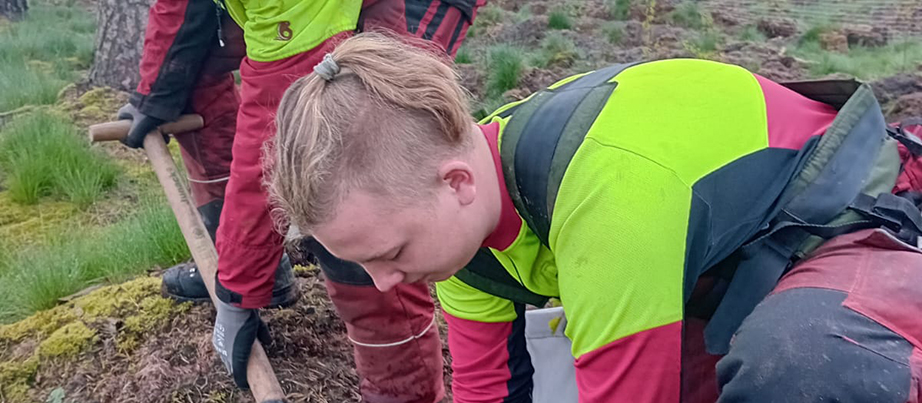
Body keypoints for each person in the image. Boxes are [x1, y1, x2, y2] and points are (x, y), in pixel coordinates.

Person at [267, 33, 922, 402]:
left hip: (861, 223)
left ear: (456, 182)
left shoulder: (602, 200)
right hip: (735, 268)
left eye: (391, 253)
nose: (385, 283)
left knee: (796, 369)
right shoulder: (462, 242)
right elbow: (487, 391)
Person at [117, 1, 483, 401]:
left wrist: (238, 289)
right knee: (195, 70)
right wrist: (155, 94)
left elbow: (273, 124)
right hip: (302, 19)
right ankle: (261, 271)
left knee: (352, 172)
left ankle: (401, 390)